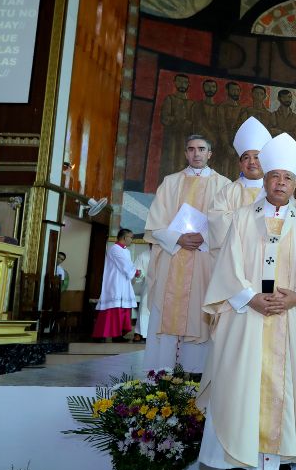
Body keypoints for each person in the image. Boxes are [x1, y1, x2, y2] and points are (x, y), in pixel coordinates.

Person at [198, 132, 296, 470]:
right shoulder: (242, 219)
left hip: (290, 318)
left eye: (288, 178)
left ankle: (275, 468)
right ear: (263, 180)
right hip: (245, 316)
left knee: (286, 390)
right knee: (239, 388)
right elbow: (227, 268)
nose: (280, 183)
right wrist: (250, 298)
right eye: (274, 176)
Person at [143, 135, 231, 373]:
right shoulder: (170, 183)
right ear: (185, 153)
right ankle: (161, 377)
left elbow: (230, 226)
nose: (196, 154)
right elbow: (154, 225)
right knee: (168, 315)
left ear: (210, 154)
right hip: (172, 260)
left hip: (205, 263)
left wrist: (207, 237)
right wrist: (178, 238)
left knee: (201, 312)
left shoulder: (224, 185)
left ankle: (196, 381)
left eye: (201, 149)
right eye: (191, 149)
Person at [210, 117, 272, 250]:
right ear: (240, 164)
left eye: (256, 157)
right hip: (235, 254)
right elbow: (217, 223)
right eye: (246, 158)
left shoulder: (275, 191)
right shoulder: (227, 192)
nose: (252, 162)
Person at [92, 228, 139, 342]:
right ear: (124, 237)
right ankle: (100, 335)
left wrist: (134, 271)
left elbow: (128, 266)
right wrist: (135, 272)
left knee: (121, 310)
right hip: (115, 284)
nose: (132, 240)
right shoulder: (115, 249)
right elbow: (125, 266)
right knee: (112, 311)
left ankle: (117, 335)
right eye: (131, 237)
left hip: (123, 283)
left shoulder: (126, 251)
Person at [159, 74, 193, 175]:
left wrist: (188, 124)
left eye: (185, 82)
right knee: (170, 161)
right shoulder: (170, 99)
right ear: (175, 83)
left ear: (188, 84)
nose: (182, 84)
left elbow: (195, 122)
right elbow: (165, 118)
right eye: (180, 81)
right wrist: (179, 121)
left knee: (183, 162)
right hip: (171, 138)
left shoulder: (191, 104)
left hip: (186, 139)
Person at [132, 245, 152, 343]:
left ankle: (153, 333)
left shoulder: (165, 255)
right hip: (148, 287)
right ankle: (140, 332)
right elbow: (139, 273)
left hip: (162, 287)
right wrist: (139, 274)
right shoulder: (143, 255)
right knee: (144, 308)